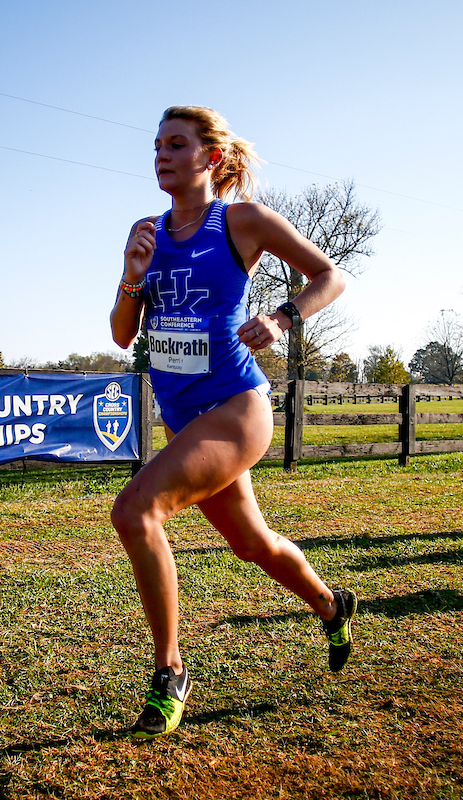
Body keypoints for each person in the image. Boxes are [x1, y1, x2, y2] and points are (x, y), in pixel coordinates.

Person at [109, 105, 357, 740]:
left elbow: (332, 275)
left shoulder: (240, 221)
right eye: (157, 144)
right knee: (252, 544)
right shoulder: (146, 230)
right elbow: (121, 333)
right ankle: (332, 603)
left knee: (135, 511)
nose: (161, 154)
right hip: (184, 419)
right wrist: (133, 279)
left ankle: (169, 673)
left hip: (237, 407)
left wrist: (282, 318)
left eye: (176, 144)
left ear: (210, 158)